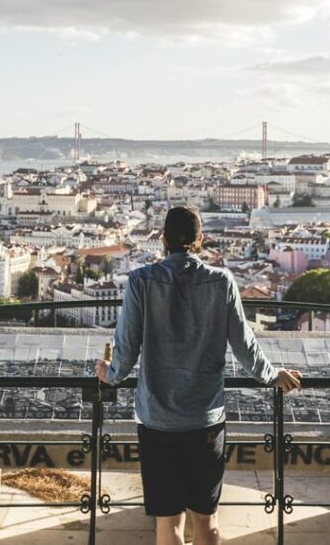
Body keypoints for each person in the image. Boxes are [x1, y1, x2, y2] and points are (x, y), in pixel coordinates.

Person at [96, 206, 302, 545]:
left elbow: (127, 346)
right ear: (200, 240)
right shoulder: (221, 282)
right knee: (207, 522)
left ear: (162, 240)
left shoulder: (140, 282)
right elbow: (244, 344)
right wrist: (271, 375)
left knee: (168, 525)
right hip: (205, 419)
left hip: (157, 419)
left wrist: (110, 374)